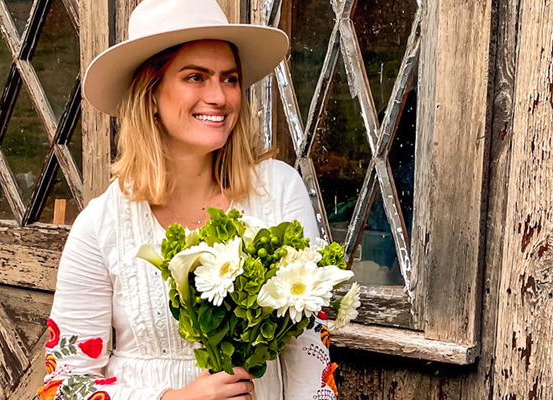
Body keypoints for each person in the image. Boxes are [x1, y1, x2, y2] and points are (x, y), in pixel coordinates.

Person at [37, 0, 338, 399]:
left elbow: (309, 355)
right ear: (150, 94)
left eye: (229, 79)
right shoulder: (102, 225)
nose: (219, 96)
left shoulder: (278, 191)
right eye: (195, 77)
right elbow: (63, 385)